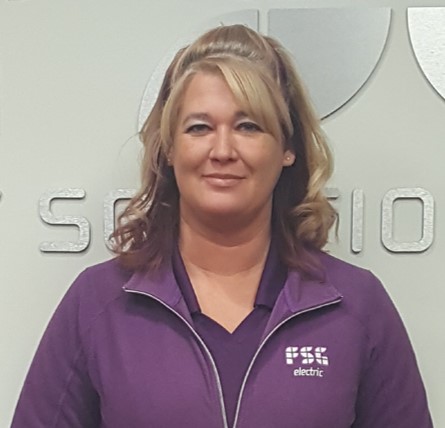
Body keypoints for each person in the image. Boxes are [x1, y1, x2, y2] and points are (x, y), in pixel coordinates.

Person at [11, 25, 433, 428]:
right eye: (199, 127)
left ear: (287, 149)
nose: (223, 150)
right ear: (170, 148)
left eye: (248, 126)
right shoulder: (99, 303)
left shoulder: (356, 306)